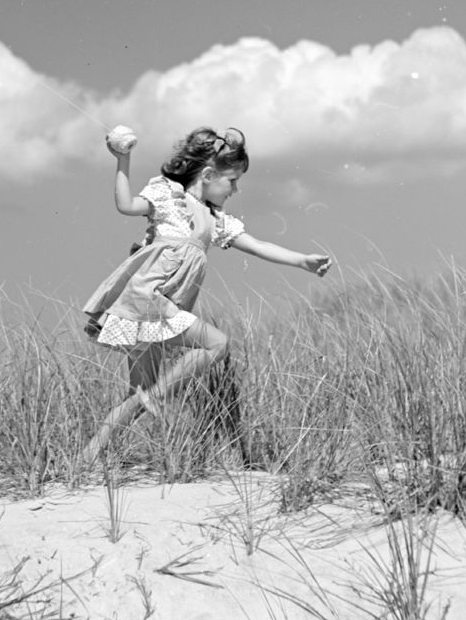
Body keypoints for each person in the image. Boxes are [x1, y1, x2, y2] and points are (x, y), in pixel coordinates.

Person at [81, 126, 333, 465]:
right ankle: (151, 398)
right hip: (146, 298)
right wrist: (123, 160)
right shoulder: (168, 198)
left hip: (166, 306)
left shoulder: (215, 220)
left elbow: (258, 245)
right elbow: (126, 205)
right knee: (217, 344)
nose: (236, 189)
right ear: (209, 174)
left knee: (136, 391)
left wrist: (301, 260)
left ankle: (85, 460)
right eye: (231, 181)